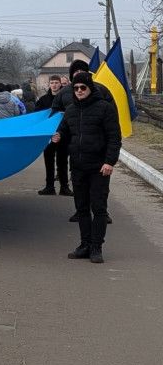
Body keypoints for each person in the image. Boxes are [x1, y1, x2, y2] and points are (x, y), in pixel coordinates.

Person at [51, 70, 121, 263]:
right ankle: (85, 244)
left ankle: (97, 247)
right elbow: (63, 133)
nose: (79, 91)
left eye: (83, 87)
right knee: (81, 207)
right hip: (78, 167)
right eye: (76, 88)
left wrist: (109, 162)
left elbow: (114, 137)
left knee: (98, 208)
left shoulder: (104, 108)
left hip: (99, 167)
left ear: (90, 88)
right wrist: (57, 137)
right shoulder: (71, 110)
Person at [35, 75, 72, 195]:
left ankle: (64, 187)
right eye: (52, 83)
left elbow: (72, 114)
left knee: (62, 162)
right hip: (48, 135)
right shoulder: (43, 100)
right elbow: (38, 116)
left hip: (63, 134)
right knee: (49, 161)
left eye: (57, 83)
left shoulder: (67, 98)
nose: (54, 85)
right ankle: (49, 186)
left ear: (60, 84)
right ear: (49, 84)